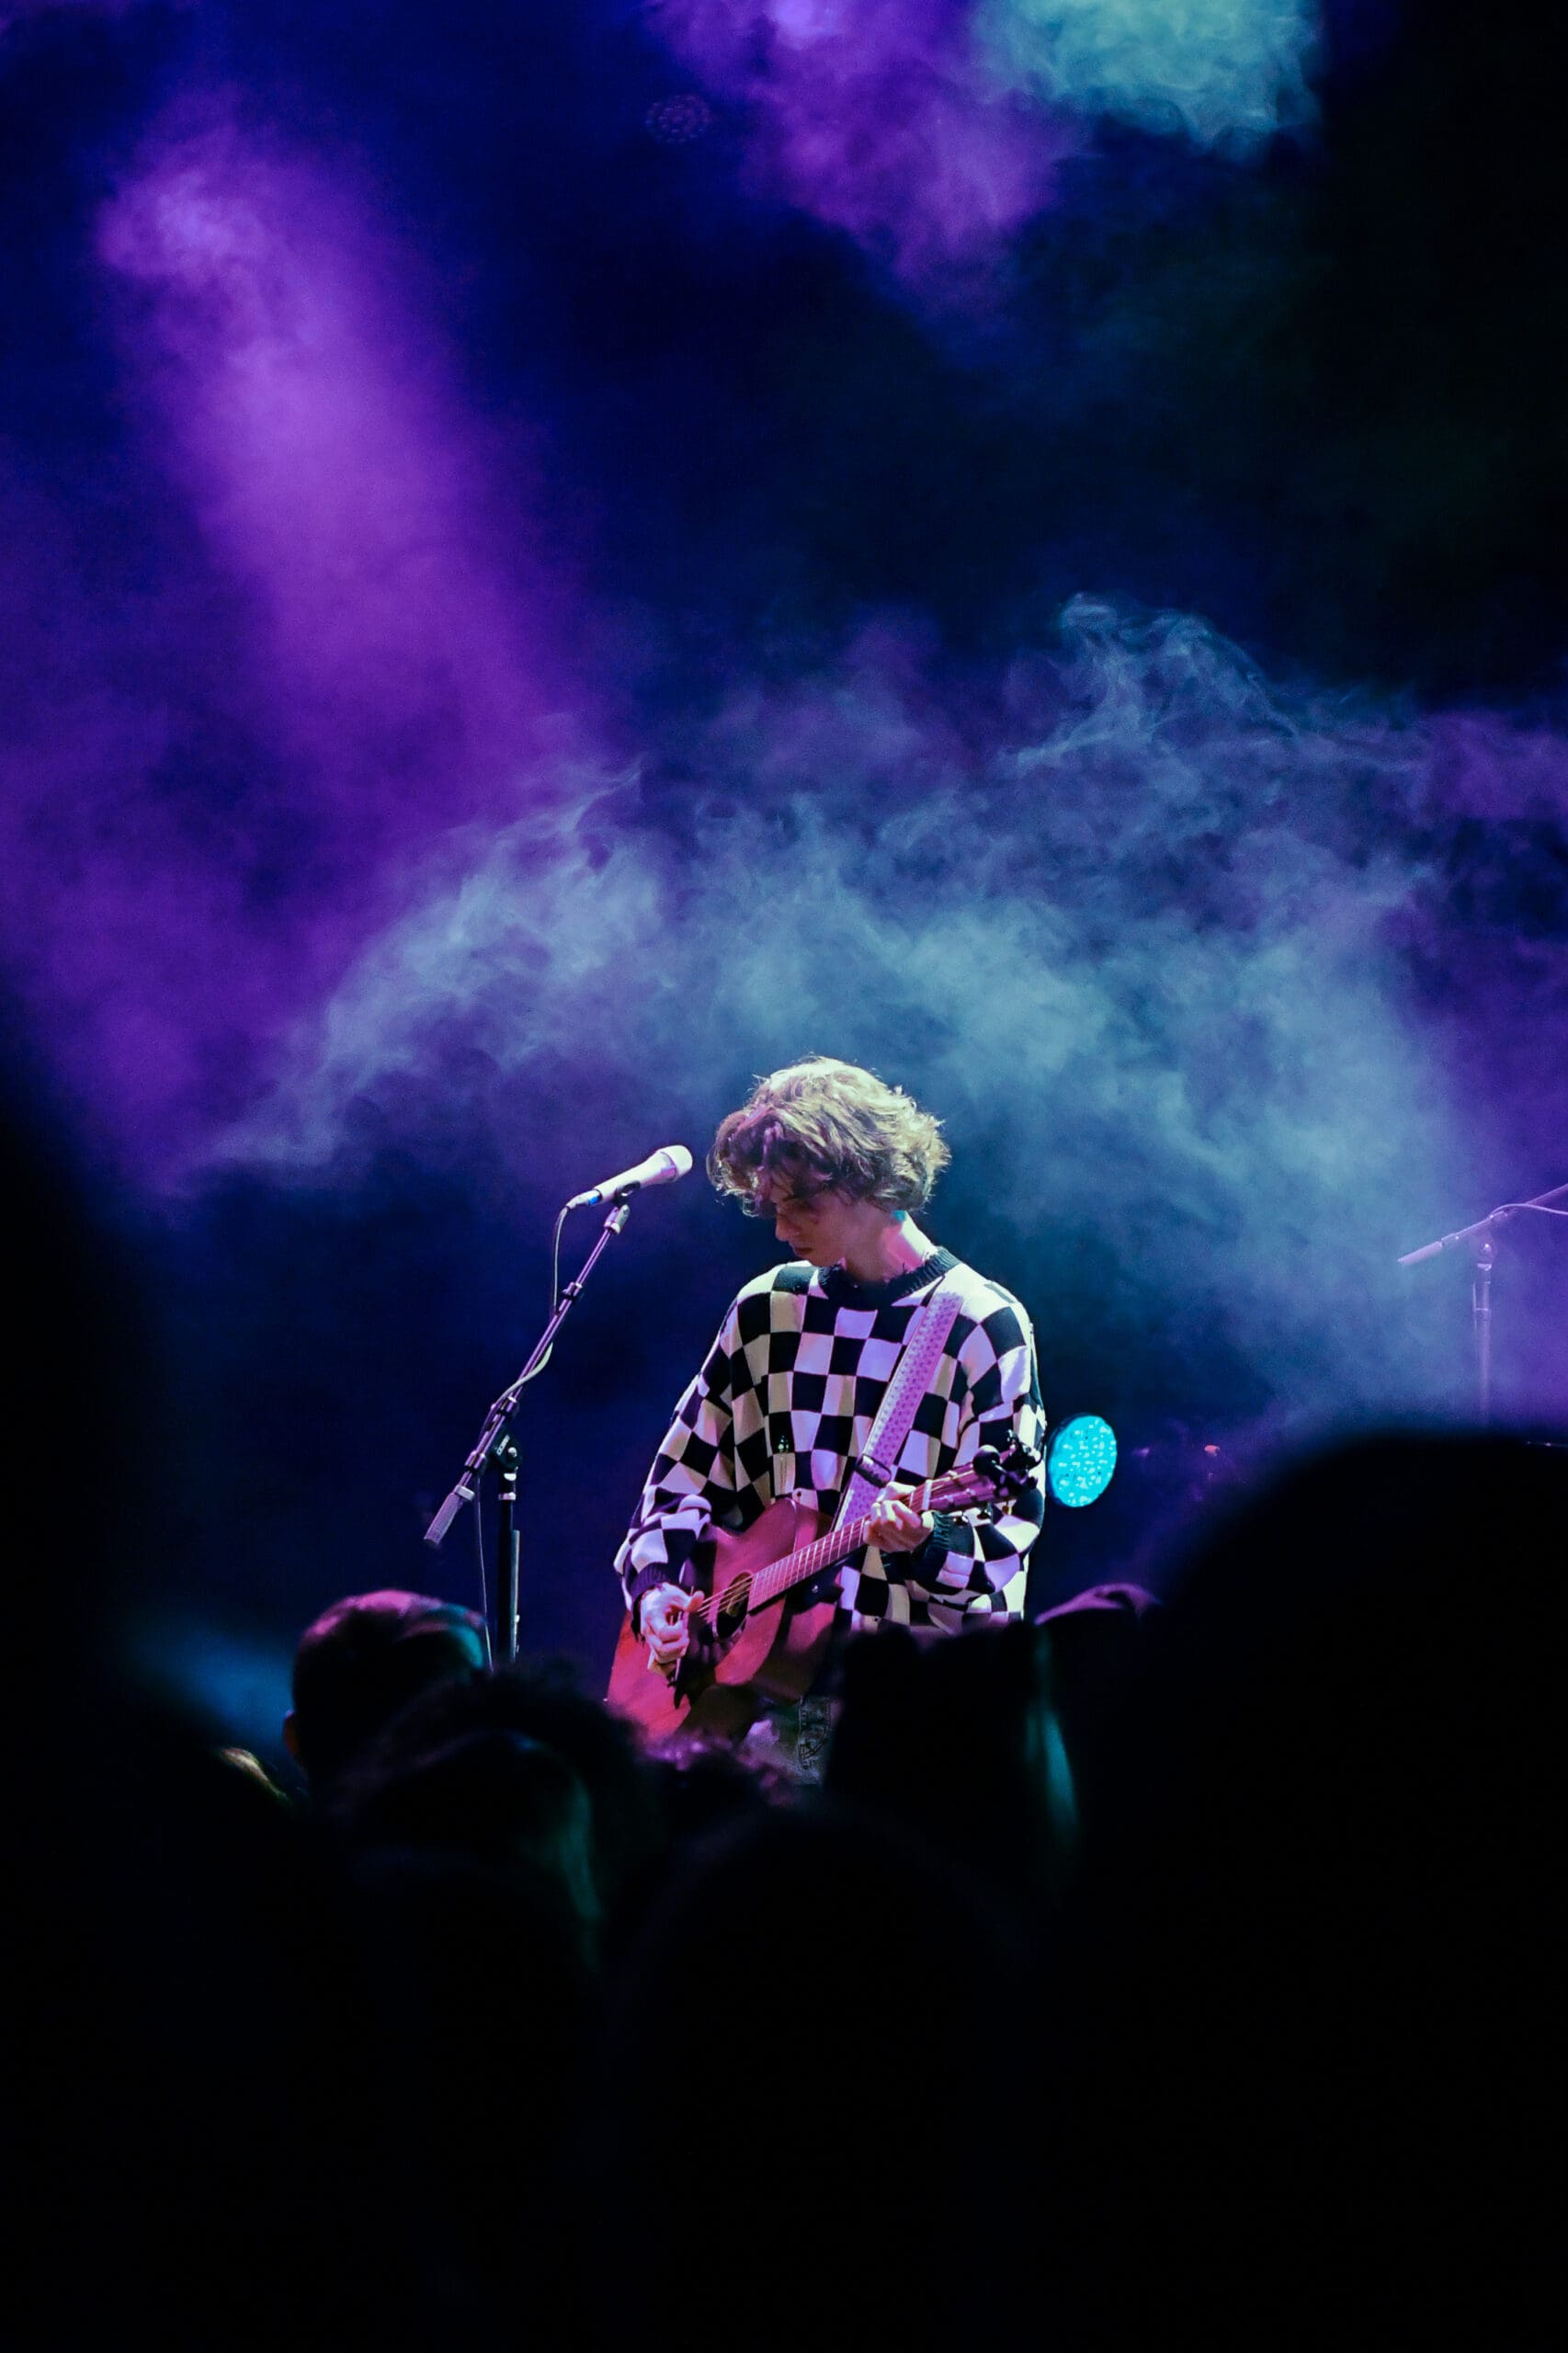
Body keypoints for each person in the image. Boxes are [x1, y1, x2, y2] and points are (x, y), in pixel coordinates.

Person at [614, 1056, 1047, 1699]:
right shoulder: (769, 1310)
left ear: (872, 1177)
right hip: (770, 1709)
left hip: (916, 1704)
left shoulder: (982, 1325)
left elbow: (1008, 1541)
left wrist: (928, 1541)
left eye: (802, 1205)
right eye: (772, 1206)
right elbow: (679, 1480)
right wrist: (655, 1591)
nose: (781, 1228)